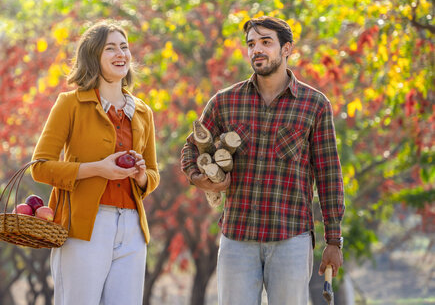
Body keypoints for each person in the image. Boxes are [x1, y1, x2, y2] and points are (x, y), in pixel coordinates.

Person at [180, 16, 345, 304]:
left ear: (286, 49)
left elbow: (329, 176)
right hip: (237, 237)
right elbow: (190, 147)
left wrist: (334, 240)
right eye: (251, 44)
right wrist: (199, 177)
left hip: (291, 238)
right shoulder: (225, 102)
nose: (257, 49)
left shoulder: (314, 104)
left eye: (266, 42)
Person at [30, 20, 159, 305]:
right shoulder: (70, 104)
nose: (121, 54)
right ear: (93, 57)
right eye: (110, 48)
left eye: (124, 47)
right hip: (84, 225)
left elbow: (152, 173)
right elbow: (40, 166)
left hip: (132, 228)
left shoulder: (142, 112)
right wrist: (98, 168)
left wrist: (140, 176)